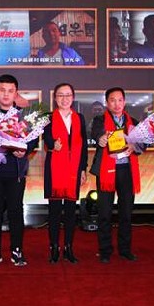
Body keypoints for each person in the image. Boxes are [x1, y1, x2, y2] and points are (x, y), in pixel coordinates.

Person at [0, 74, 38, 267]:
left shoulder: (23, 115)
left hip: (15, 171)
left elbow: (33, 139)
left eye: (10, 91)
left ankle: (17, 250)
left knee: (15, 210)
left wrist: (25, 150)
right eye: (2, 90)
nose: (6, 94)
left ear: (16, 93)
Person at [89, 87, 144, 263]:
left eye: (120, 100)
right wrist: (101, 139)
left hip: (126, 170)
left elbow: (143, 144)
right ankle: (105, 250)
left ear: (124, 102)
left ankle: (125, 249)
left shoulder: (133, 122)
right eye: (112, 100)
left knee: (126, 212)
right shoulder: (99, 120)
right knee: (104, 212)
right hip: (106, 170)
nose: (117, 104)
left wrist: (134, 146)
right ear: (107, 103)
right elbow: (96, 133)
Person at [43, 83, 88, 263]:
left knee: (70, 211)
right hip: (55, 168)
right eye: (60, 95)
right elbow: (46, 137)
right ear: (55, 98)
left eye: (68, 95)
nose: (64, 98)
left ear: (73, 97)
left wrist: (83, 168)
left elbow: (83, 145)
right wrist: (52, 144)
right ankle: (54, 247)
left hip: (74, 169)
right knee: (54, 211)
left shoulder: (79, 118)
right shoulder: (48, 117)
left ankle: (69, 247)